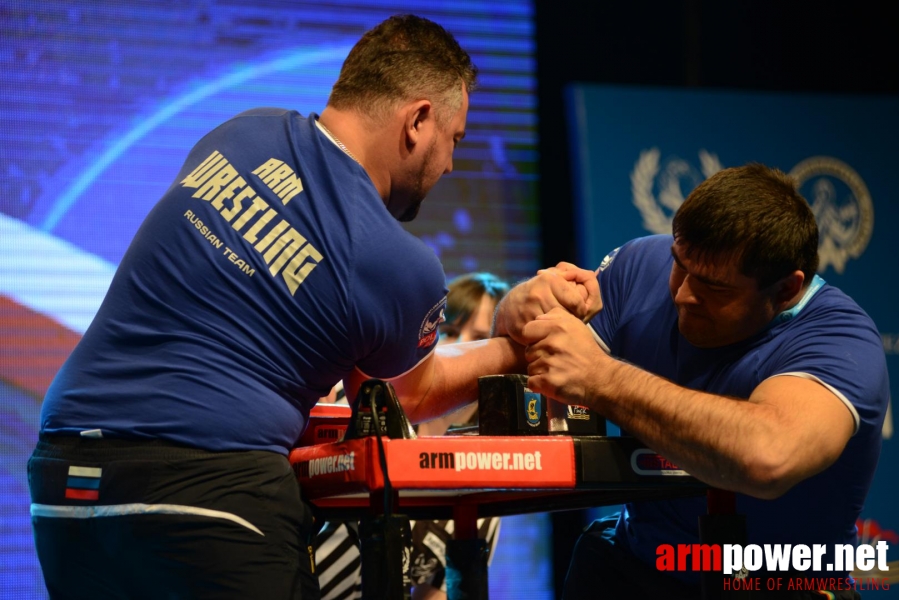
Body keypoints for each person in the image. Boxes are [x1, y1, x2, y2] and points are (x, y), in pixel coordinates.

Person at [29, 16, 598, 599]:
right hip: (205, 490)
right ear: (418, 121)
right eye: (454, 139)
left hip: (65, 479)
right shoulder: (395, 260)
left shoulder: (240, 133)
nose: (451, 164)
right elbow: (407, 395)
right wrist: (517, 342)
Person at [496, 163, 890, 599]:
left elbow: (768, 456)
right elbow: (535, 364)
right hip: (640, 563)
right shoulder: (641, 264)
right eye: (680, 265)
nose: (682, 294)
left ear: (785, 291)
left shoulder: (838, 338)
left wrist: (601, 377)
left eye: (713, 288)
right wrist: (514, 311)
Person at [315, 272, 509, 600]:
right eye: (448, 331)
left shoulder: (486, 488)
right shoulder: (357, 409)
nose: (461, 346)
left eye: (479, 339)